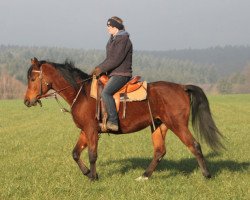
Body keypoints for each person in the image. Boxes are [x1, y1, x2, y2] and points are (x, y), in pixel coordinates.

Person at [92, 16, 133, 131]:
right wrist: (99, 68)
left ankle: (113, 122)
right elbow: (109, 59)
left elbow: (115, 60)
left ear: (116, 27)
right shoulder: (113, 39)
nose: (107, 29)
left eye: (109, 26)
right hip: (113, 73)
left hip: (121, 74)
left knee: (106, 93)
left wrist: (100, 68)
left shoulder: (123, 40)